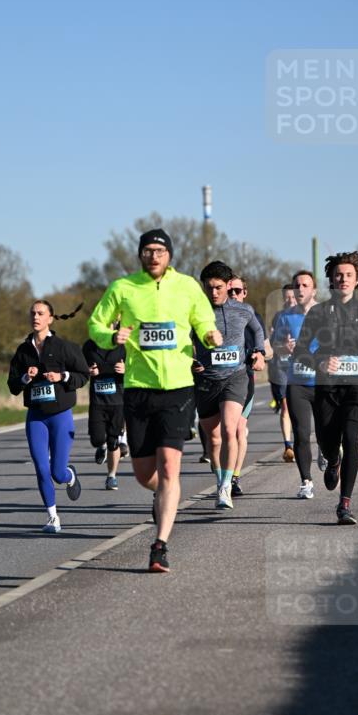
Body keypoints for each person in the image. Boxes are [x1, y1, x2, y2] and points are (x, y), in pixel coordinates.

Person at [88, 228, 221, 572]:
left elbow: (203, 316)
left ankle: (159, 545)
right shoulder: (123, 287)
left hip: (178, 386)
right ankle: (163, 495)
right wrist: (109, 335)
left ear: (170, 255)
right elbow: (95, 323)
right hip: (138, 388)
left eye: (159, 251)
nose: (154, 256)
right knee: (144, 472)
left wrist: (209, 332)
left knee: (169, 467)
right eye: (147, 251)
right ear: (140, 255)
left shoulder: (188, 286)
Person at [293, 250, 358, 525]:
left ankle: (344, 504)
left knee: (351, 436)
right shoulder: (319, 312)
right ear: (331, 280)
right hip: (328, 388)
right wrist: (320, 362)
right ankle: (332, 460)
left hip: (357, 386)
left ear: (357, 280)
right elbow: (300, 351)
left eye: (348, 275)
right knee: (328, 441)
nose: (343, 279)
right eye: (338, 275)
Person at [8, 300, 89, 533]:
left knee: (57, 472)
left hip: (60, 415)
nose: (36, 317)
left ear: (50, 318)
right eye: (32, 313)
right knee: (42, 468)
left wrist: (62, 376)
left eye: (41, 313)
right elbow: (12, 385)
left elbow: (83, 375)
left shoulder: (64, 347)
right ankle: (53, 517)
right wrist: (25, 378)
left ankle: (69, 475)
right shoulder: (23, 351)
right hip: (36, 417)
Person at [192, 261, 265, 509]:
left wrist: (259, 352)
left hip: (235, 377)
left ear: (228, 285)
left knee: (230, 430)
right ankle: (219, 476)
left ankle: (225, 487)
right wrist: (189, 361)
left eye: (219, 287)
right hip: (205, 380)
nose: (214, 293)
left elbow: (257, 331)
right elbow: (181, 341)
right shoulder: (194, 312)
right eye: (209, 288)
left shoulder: (243, 310)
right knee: (213, 439)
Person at [272, 270, 320, 498]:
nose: (300, 289)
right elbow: (276, 347)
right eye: (297, 285)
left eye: (305, 285)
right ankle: (306, 481)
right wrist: (285, 347)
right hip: (297, 382)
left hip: (323, 382)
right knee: (301, 433)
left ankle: (330, 455)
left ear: (314, 290)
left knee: (326, 433)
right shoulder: (285, 317)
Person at [229, 276, 268, 496]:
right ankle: (223, 475)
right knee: (219, 434)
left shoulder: (253, 317)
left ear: (245, 293)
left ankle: (234, 478)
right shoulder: (214, 316)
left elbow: (265, 347)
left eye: (237, 291)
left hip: (244, 380)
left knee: (238, 430)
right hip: (217, 382)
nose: (233, 295)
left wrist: (260, 356)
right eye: (230, 291)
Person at [82, 330, 126, 490]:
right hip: (98, 402)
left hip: (118, 401)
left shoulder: (124, 345)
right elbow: (80, 367)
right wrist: (88, 371)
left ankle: (111, 476)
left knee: (113, 441)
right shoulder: (89, 346)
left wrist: (126, 368)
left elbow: (139, 366)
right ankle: (101, 446)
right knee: (97, 439)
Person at [268, 283, 297, 461]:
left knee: (301, 409)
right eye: (287, 297)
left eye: (292, 297)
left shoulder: (307, 315)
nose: (290, 300)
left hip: (303, 368)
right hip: (282, 368)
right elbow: (272, 344)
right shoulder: (278, 317)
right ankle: (288, 446)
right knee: (285, 407)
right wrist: (283, 346)